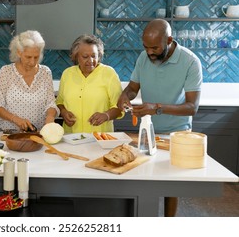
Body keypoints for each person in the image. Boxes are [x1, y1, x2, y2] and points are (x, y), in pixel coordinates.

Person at [117, 19, 203, 216]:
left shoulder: (190, 62)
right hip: (148, 130)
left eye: (154, 47)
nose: (149, 52)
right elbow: (132, 88)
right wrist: (124, 97)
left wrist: (156, 108)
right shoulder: (143, 57)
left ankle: (168, 224)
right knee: (145, 177)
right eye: (146, 47)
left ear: (169, 40)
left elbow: (192, 107)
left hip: (177, 134)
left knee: (171, 185)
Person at [0, 30, 59, 132]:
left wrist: (50, 117)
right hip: (10, 133)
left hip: (37, 133)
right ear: (19, 52)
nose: (32, 62)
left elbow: (50, 104)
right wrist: (16, 119)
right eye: (28, 57)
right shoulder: (6, 72)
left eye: (36, 57)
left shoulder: (45, 72)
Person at [56, 34, 123, 134]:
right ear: (76, 56)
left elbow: (119, 107)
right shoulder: (67, 74)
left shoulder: (109, 73)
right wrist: (64, 112)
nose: (90, 61)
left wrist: (106, 115)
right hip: (71, 137)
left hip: (100, 138)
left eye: (93, 56)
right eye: (85, 57)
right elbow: (59, 102)